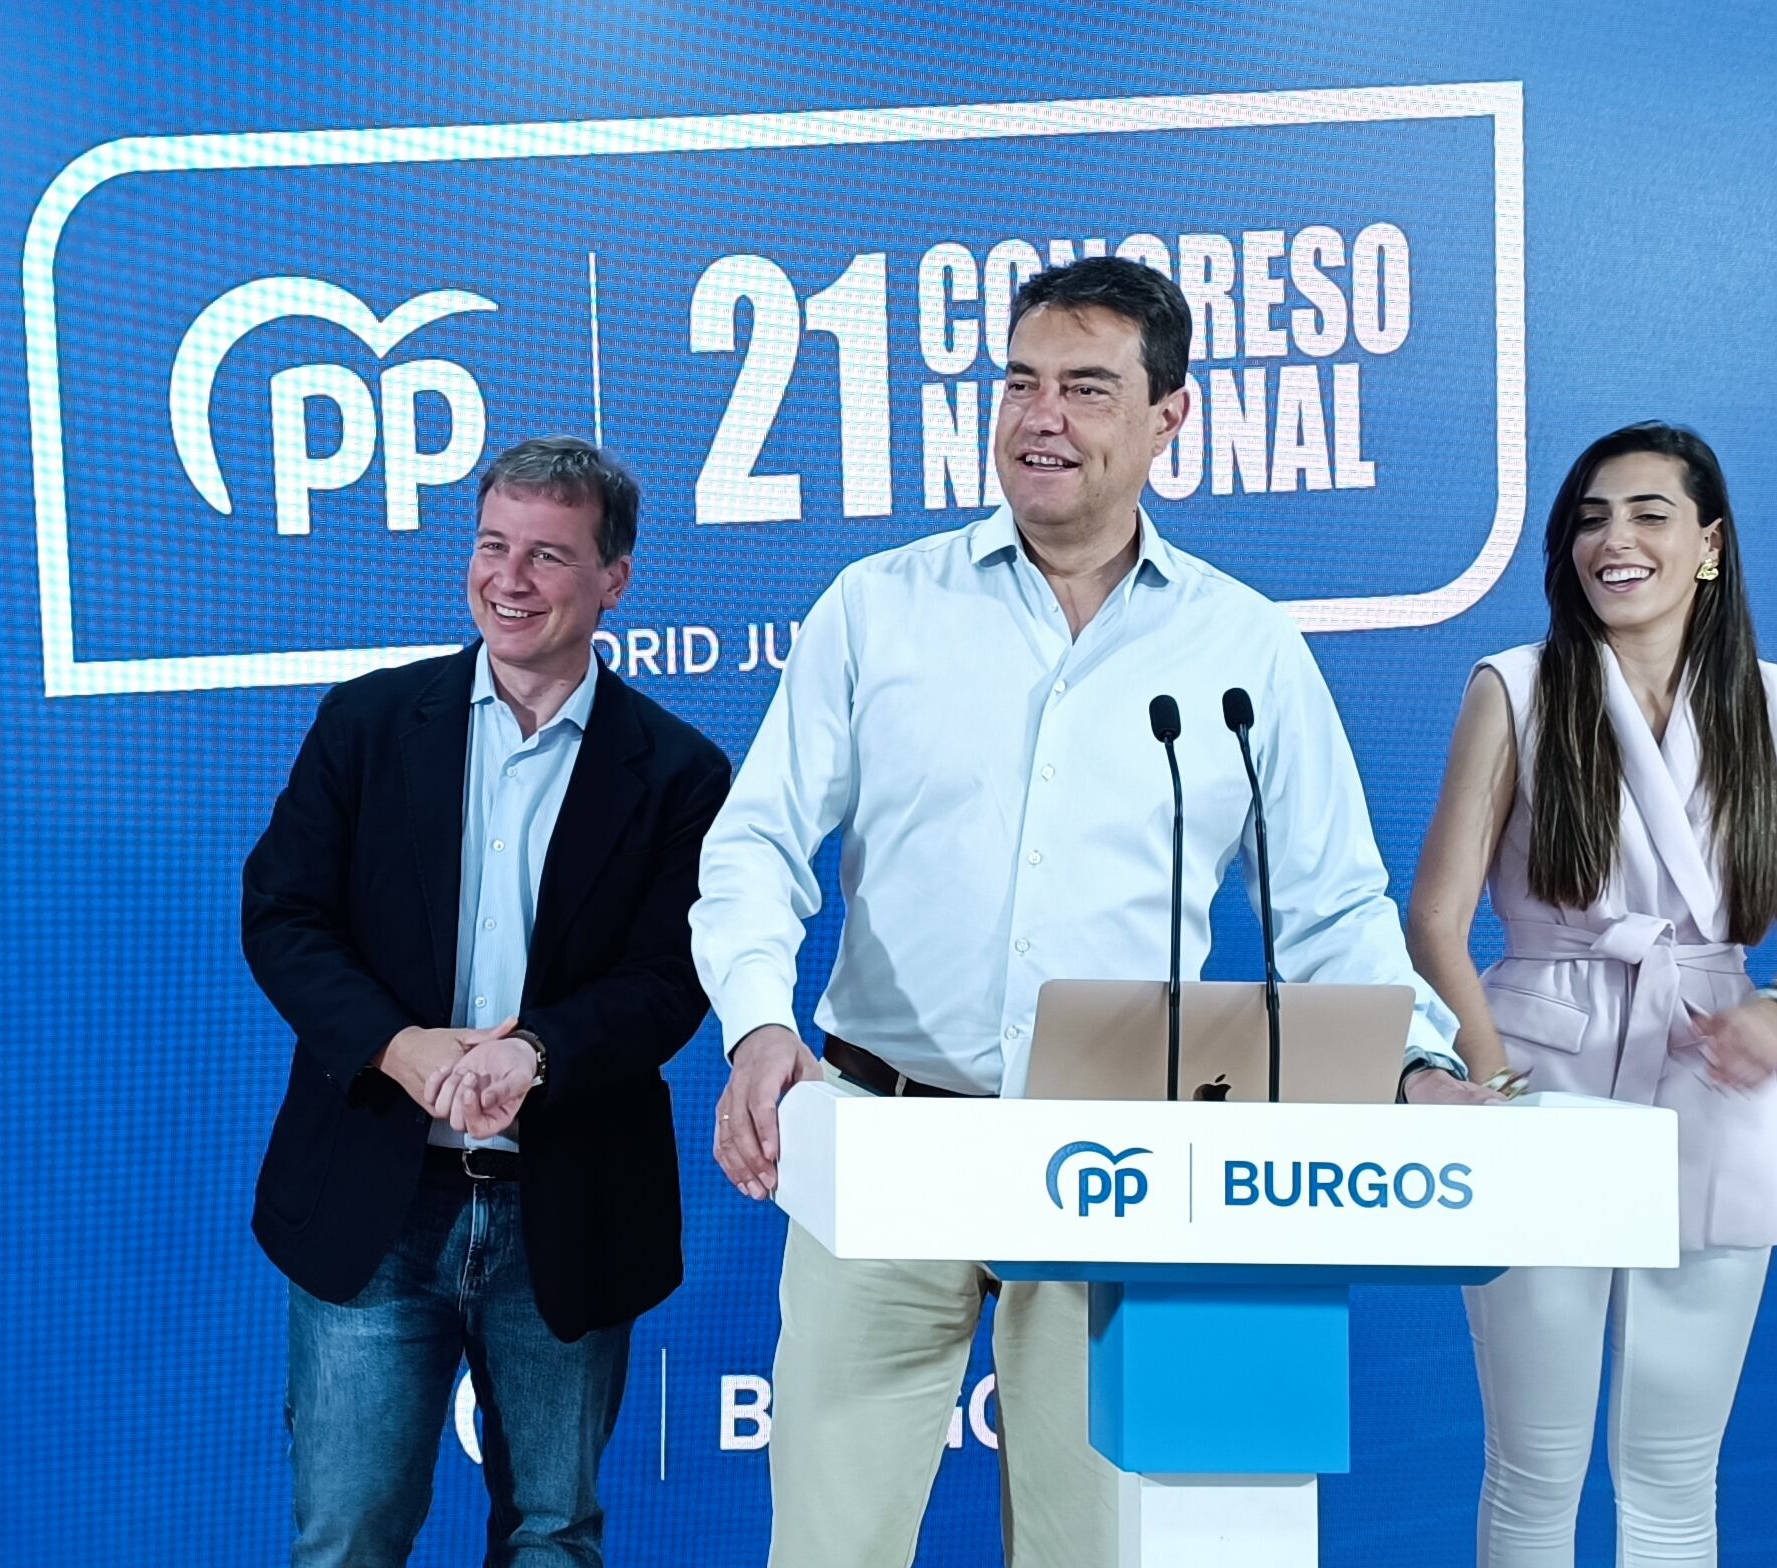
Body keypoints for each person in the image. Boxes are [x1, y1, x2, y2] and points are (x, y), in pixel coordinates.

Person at [691, 255, 1484, 1568]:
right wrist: (755, 1024)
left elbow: (1332, 905)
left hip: (1126, 1166)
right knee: (825, 1550)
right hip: (885, 1142)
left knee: (1095, 1551)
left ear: (1169, 417)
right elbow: (756, 843)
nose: (1038, 415)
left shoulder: (1243, 652)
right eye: (1016, 382)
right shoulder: (875, 611)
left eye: (1082, 387)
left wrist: (1409, 1058)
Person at [241, 437, 731, 1567]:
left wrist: (542, 1054)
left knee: (553, 1536)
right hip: (376, 1198)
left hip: (564, 1208)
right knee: (349, 1535)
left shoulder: (680, 772)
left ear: (615, 578)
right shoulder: (366, 726)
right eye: (492, 544)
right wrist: (398, 1047)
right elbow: (283, 915)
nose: (507, 578)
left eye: (548, 555)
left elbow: (672, 978)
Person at [1406, 421, 1777, 1566]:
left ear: (1709, 543)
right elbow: (1436, 919)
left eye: (1650, 513)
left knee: (1671, 1475)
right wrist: (1489, 1074)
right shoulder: (1514, 686)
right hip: (1537, 1076)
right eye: (1591, 518)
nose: (1616, 539)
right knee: (1534, 1465)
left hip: (1710, 1083)